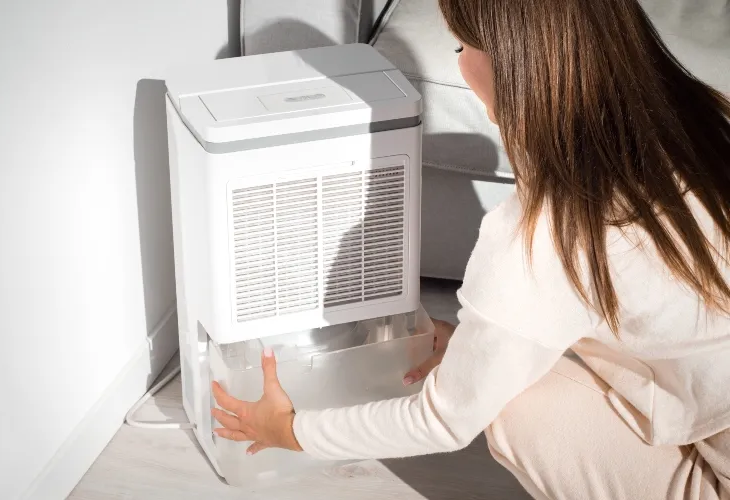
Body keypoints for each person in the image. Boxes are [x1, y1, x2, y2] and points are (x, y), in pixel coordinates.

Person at [209, 0, 730, 498]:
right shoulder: (706, 113)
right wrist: (483, 341)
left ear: (511, 62)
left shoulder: (549, 233)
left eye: (461, 46)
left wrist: (290, 430)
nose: (459, 64)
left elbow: (443, 419)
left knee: (515, 405)